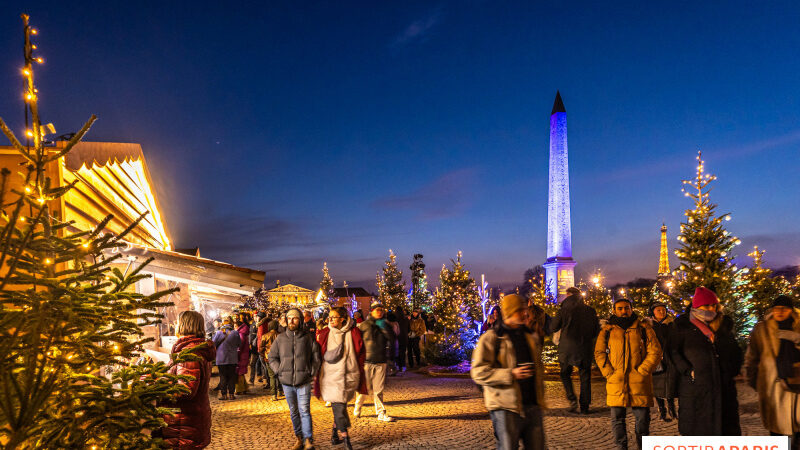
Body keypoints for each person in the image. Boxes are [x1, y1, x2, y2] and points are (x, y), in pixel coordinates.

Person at [471, 294, 545, 450]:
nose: (525, 313)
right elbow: (478, 371)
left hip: (532, 404)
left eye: (525, 310)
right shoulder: (492, 338)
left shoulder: (529, 336)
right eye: (521, 310)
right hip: (505, 407)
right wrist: (511, 374)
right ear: (510, 312)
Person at [670, 286, 743, 436]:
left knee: (725, 432)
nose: (711, 309)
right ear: (697, 306)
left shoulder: (723, 326)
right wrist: (688, 371)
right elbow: (672, 352)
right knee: (699, 432)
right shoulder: (683, 327)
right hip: (695, 390)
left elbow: (736, 353)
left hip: (724, 389)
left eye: (714, 305)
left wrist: (731, 371)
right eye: (707, 305)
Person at [595, 299, 662, 450]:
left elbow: (655, 351)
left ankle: (642, 446)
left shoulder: (643, 328)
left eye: (626, 308)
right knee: (617, 419)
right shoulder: (607, 331)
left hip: (639, 381)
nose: (623, 311)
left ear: (632, 309)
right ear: (614, 311)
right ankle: (621, 446)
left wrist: (643, 370)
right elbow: (599, 353)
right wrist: (608, 372)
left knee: (642, 420)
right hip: (616, 381)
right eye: (620, 308)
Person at [155, 311, 216, 449]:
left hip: (184, 423)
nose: (175, 325)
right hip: (190, 419)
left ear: (184, 325)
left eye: (178, 322)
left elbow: (185, 390)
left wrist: (156, 388)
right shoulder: (196, 349)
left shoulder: (189, 353)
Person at [746, 295, 800, 448]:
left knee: (797, 424)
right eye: (777, 308)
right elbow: (752, 356)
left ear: (791, 310)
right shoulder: (762, 329)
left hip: (797, 384)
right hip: (772, 386)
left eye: (785, 308)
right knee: (776, 427)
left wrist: (797, 339)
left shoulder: (798, 325)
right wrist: (753, 379)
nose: (780, 311)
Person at [314, 307, 368, 450]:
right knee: (339, 407)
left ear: (343, 319)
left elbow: (361, 351)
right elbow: (318, 353)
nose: (330, 320)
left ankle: (333, 434)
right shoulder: (325, 333)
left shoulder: (354, 332)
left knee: (340, 406)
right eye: (329, 317)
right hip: (329, 377)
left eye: (334, 317)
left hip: (348, 374)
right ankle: (346, 438)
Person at [269, 308, 321, 450]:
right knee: (294, 411)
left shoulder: (308, 338)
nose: (291, 321)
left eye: (295, 318)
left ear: (300, 320)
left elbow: (316, 357)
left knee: (304, 410)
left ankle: (309, 440)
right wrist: (278, 370)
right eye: (289, 318)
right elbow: (272, 357)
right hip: (286, 382)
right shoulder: (280, 338)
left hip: (303, 380)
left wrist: (312, 371)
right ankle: (299, 438)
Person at [549, 286, 599, 414]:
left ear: (568, 295)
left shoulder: (564, 310)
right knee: (585, 376)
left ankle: (572, 399)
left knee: (565, 373)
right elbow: (595, 331)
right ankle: (584, 406)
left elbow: (554, 327)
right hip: (585, 347)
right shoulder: (590, 310)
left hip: (567, 347)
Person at [355, 303, 396, 422]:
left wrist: (391, 358)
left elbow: (392, 340)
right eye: (377, 310)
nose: (379, 312)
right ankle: (358, 407)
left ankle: (381, 413)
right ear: (371, 311)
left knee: (379, 389)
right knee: (364, 389)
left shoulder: (385, 324)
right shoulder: (364, 325)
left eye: (381, 310)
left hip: (381, 360)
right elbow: (358, 342)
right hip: (366, 361)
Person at [647, 301, 678, 421]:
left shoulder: (671, 324)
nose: (662, 312)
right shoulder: (649, 325)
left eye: (663, 310)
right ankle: (662, 409)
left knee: (670, 384)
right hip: (656, 358)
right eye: (658, 310)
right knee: (657, 385)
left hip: (670, 357)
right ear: (653, 312)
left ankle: (672, 408)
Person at [212, 317, 241, 400]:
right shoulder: (235, 333)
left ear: (223, 324)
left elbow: (213, 343)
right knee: (232, 376)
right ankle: (231, 394)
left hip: (221, 359)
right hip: (232, 358)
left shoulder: (218, 333)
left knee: (223, 376)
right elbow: (239, 344)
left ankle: (224, 395)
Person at [260, 319, 283, 400]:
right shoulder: (281, 335)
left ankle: (273, 394)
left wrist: (263, 356)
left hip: (269, 357)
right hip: (279, 357)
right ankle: (280, 391)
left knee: (272, 376)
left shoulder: (265, 336)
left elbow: (261, 348)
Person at [234, 314, 251, 395]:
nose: (234, 328)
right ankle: (244, 388)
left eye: (235, 326)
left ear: (238, 326)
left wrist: (236, 353)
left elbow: (239, 346)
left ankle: (239, 389)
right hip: (244, 355)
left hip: (241, 356)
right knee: (241, 373)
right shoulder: (242, 333)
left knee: (239, 373)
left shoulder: (240, 334)